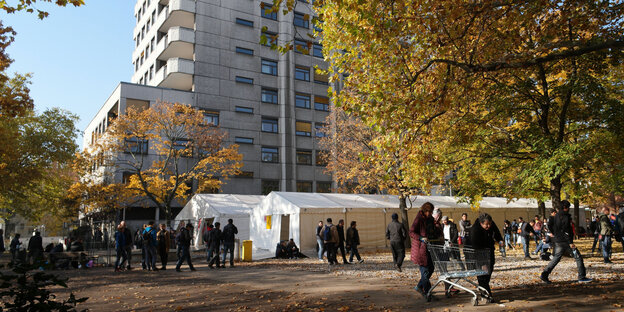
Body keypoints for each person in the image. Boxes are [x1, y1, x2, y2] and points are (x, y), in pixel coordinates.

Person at [541, 200, 591, 284]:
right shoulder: (565, 217)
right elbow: (566, 230)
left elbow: (550, 225)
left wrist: (555, 234)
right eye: (568, 207)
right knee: (578, 257)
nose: (569, 209)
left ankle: (544, 274)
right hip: (565, 241)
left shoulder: (556, 216)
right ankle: (581, 276)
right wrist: (570, 242)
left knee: (556, 258)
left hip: (558, 240)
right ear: (565, 207)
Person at [469, 213, 503, 301]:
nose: (488, 226)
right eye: (486, 225)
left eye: (489, 224)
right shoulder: (475, 230)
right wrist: (483, 263)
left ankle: (483, 290)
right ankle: (487, 294)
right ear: (481, 223)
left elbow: (496, 231)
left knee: (489, 270)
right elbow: (476, 247)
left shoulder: (491, 224)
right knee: (482, 274)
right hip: (478, 253)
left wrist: (500, 240)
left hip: (489, 250)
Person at [410, 202, 441, 298]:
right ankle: (427, 292)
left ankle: (419, 286)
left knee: (431, 268)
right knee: (425, 271)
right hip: (420, 249)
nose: (430, 214)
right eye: (429, 212)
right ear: (425, 210)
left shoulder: (431, 219)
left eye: (431, 212)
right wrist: (420, 238)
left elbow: (434, 232)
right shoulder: (419, 219)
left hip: (429, 248)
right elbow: (411, 232)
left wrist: (437, 225)